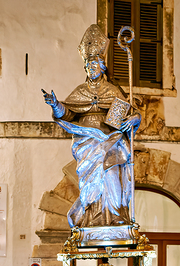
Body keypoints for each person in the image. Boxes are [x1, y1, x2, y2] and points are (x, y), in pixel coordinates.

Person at [43, 24, 141, 228]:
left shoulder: (112, 90)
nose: (91, 69)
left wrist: (135, 119)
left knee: (112, 175)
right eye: (88, 67)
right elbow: (68, 113)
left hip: (109, 141)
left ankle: (115, 217)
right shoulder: (80, 91)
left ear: (102, 66)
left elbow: (131, 113)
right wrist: (56, 104)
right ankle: (91, 218)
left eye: (94, 65)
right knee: (89, 182)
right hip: (86, 142)